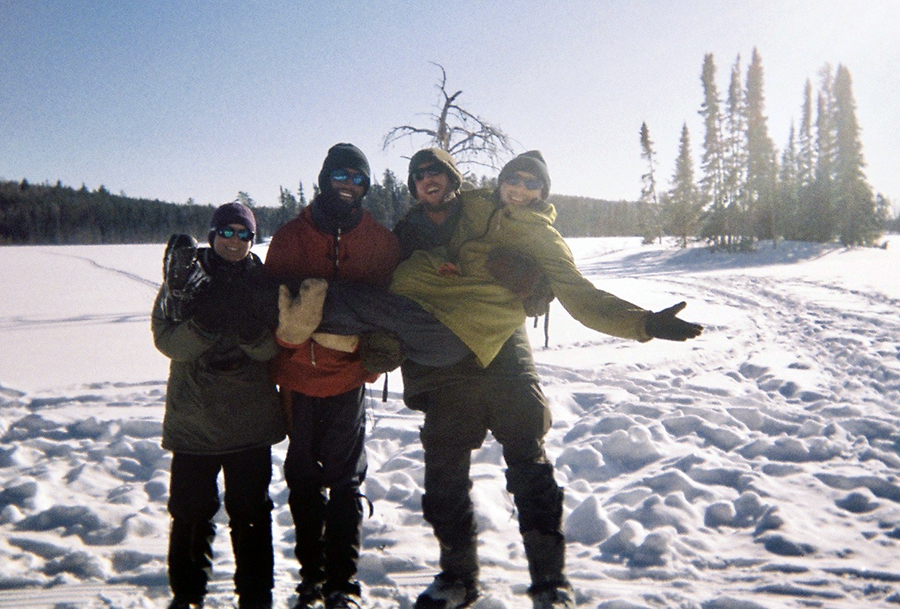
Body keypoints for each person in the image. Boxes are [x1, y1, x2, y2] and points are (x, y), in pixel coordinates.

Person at [386, 149, 702, 609]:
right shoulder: (472, 205)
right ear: (499, 183)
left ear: (543, 192)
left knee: (528, 456)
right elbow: (415, 242)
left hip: (503, 343)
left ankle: (550, 582)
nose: (520, 189)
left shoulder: (543, 235)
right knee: (444, 467)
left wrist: (643, 323)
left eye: (532, 184)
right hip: (448, 348)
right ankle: (457, 577)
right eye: (513, 179)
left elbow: (580, 293)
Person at [264, 143, 401, 609]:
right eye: (340, 176)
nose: (348, 185)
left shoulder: (381, 241)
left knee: (345, 482)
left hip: (347, 379)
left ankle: (343, 584)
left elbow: (391, 303)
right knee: (302, 479)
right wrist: (287, 338)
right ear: (324, 178)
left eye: (358, 179)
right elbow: (269, 306)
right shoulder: (289, 236)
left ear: (366, 187)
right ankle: (311, 580)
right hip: (298, 380)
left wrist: (382, 345)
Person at [152, 201, 285, 609]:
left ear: (252, 239)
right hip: (194, 421)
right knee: (190, 512)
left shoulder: (263, 281)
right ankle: (187, 595)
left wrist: (250, 333)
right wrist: (203, 326)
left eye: (243, 234)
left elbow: (273, 352)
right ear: (212, 235)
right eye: (226, 232)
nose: (234, 241)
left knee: (251, 513)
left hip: (250, 421)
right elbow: (167, 341)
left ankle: (256, 597)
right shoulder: (184, 277)